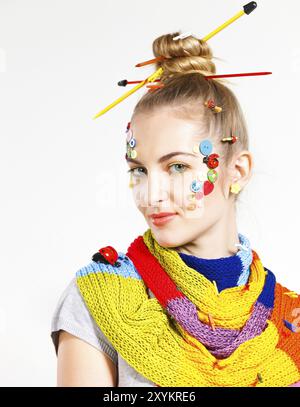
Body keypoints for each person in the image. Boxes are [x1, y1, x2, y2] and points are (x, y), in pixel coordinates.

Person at [50, 31, 300, 387]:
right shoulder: (100, 297)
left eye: (178, 167)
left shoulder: (289, 318)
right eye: (139, 170)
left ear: (238, 170)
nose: (150, 194)